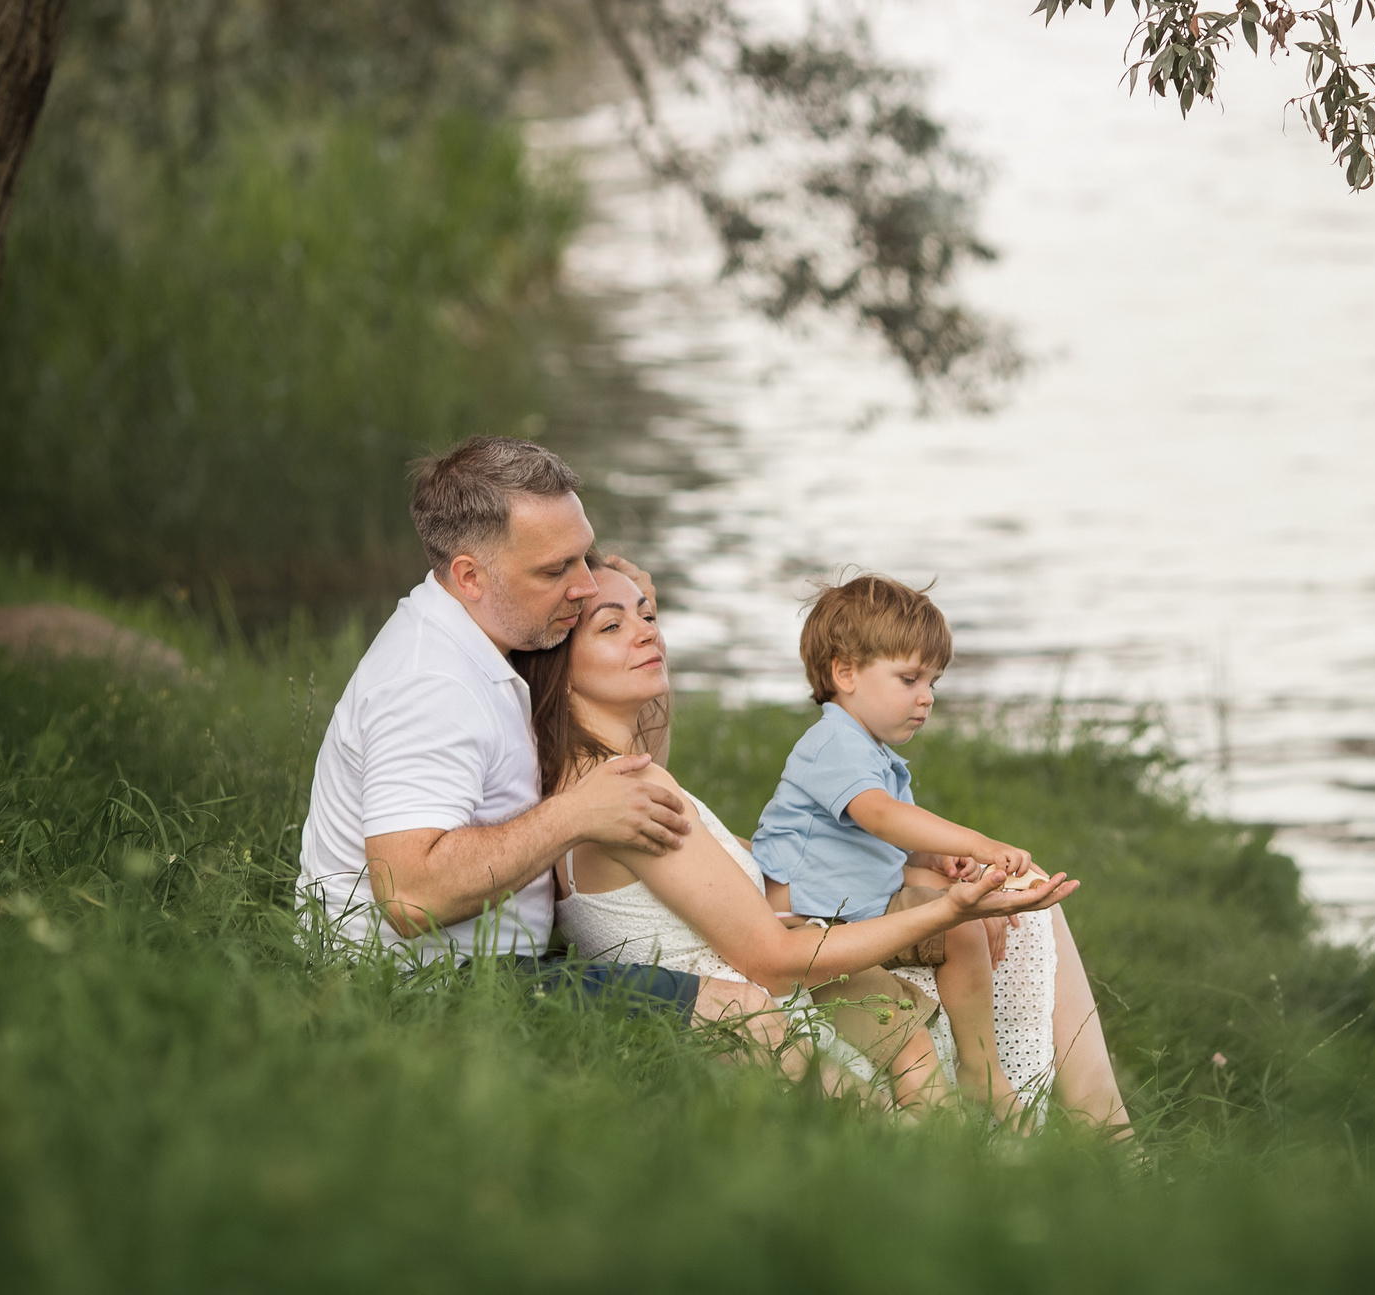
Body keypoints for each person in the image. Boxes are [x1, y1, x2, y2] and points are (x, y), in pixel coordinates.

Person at [524, 556, 1130, 1133]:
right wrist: (947, 909)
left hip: (779, 958)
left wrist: (936, 875)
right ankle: (1103, 1143)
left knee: (1011, 905)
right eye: (613, 624)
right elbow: (773, 957)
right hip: (775, 992)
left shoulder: (601, 779)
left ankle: (1089, 1136)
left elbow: (737, 861)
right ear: (559, 664)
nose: (646, 633)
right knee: (1025, 916)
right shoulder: (629, 791)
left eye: (649, 616)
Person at [295, 437, 780, 1041]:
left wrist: (637, 613)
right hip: (417, 987)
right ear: (471, 575)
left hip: (493, 967)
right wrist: (575, 815)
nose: (584, 586)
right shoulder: (430, 683)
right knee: (748, 1017)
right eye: (556, 570)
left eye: (583, 555)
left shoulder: (490, 642)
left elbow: (628, 763)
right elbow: (410, 895)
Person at [749, 574, 1041, 1120]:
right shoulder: (832, 742)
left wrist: (929, 860)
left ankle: (982, 1070)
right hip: (815, 934)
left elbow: (867, 841)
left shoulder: (872, 752)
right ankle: (942, 1146)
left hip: (864, 912)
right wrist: (977, 842)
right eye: (909, 678)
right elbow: (880, 817)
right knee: (906, 1045)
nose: (926, 697)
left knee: (961, 923)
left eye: (933, 681)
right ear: (845, 672)